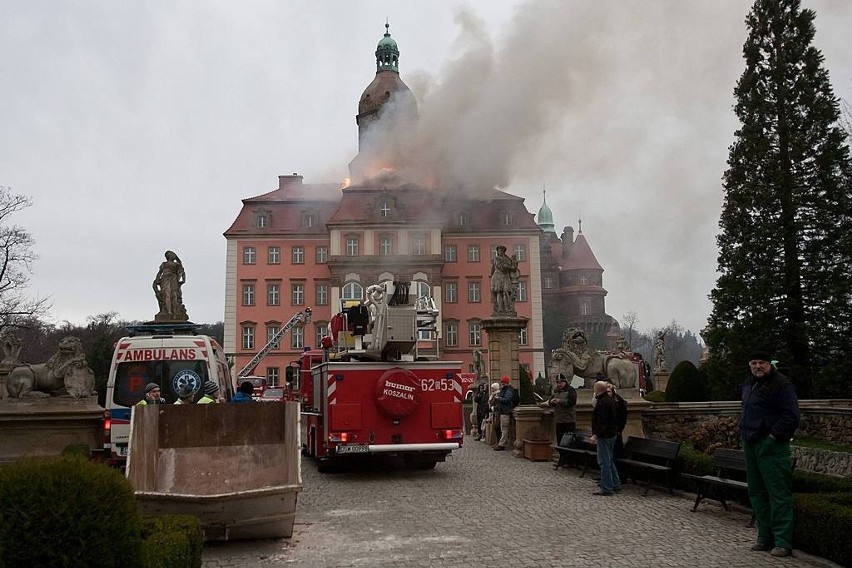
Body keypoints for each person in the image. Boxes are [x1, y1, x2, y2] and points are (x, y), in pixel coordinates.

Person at [740, 349, 799, 558]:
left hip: (772, 447)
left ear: (769, 364)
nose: (757, 366)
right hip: (751, 444)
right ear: (750, 364)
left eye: (762, 363)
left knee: (778, 494)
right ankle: (764, 537)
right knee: (757, 494)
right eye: (754, 362)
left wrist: (773, 438)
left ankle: (783, 541)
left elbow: (791, 416)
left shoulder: (782, 385)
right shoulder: (749, 384)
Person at [590, 380, 621, 496]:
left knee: (604, 462)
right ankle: (615, 483)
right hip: (611, 434)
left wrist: (595, 434)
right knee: (609, 460)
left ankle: (607, 487)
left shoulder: (603, 403)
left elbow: (603, 422)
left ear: (597, 390)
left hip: (605, 435)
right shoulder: (609, 400)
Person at [542, 374, 576, 443]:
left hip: (568, 420)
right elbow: (550, 402)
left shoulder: (571, 390)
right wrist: (551, 402)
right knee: (559, 441)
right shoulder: (556, 391)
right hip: (558, 420)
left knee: (569, 441)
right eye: (558, 383)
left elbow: (572, 402)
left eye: (561, 383)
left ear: (565, 382)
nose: (559, 384)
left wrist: (559, 401)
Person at [153, 250, 187, 318]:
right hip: (165, 278)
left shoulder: (177, 264)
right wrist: (157, 280)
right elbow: (160, 272)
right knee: (166, 294)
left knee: (174, 295)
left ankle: (175, 311)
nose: (172, 256)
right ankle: (168, 311)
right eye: (171, 255)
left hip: (173, 279)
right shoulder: (164, 264)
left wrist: (183, 280)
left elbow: (182, 270)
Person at [489, 245, 518, 314]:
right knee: (499, 292)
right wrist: (509, 267)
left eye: (501, 250)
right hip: (498, 276)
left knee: (506, 292)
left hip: (505, 276)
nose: (500, 252)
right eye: (499, 250)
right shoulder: (496, 259)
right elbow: (500, 266)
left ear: (504, 251)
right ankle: (500, 309)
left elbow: (513, 268)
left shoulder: (508, 259)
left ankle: (507, 308)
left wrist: (514, 262)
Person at [492, 376, 515, 451]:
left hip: (505, 412)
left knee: (504, 428)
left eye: (503, 382)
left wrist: (498, 398)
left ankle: (501, 444)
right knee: (502, 428)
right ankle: (500, 443)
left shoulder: (508, 390)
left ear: (506, 383)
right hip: (502, 411)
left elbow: (507, 400)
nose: (502, 383)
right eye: (501, 382)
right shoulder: (504, 390)